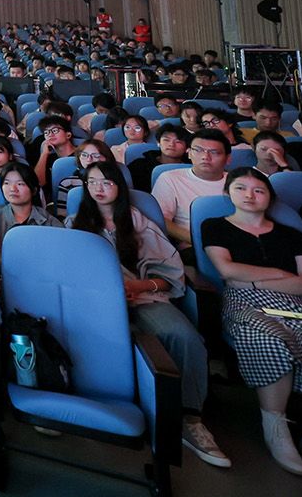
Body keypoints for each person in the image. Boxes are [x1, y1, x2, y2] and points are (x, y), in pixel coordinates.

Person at [70, 161, 227, 468]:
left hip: (141, 297)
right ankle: (99, 409)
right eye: (92, 182)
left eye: (106, 182)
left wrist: (136, 286)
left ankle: (189, 417)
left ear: (119, 186)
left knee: (183, 336)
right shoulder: (75, 225)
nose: (99, 188)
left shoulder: (138, 221)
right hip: (95, 303)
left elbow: (168, 275)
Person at [200, 168, 302, 475]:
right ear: (227, 193)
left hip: (293, 302)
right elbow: (227, 271)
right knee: (270, 338)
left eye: (258, 190)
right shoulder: (215, 226)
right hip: (243, 302)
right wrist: (282, 275)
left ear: (269, 197)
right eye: (240, 188)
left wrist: (256, 280)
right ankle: (275, 424)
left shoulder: (292, 235)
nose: (249, 195)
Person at [0, 162, 61, 275]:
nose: (12, 189)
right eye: (6, 183)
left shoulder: (50, 223)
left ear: (34, 189)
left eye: (20, 184)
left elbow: (60, 256)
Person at [153, 128, 230, 253]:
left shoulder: (238, 182)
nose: (205, 157)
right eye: (198, 150)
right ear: (189, 153)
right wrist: (201, 241)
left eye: (214, 152)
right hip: (193, 246)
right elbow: (162, 219)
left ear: (228, 158)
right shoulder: (170, 178)